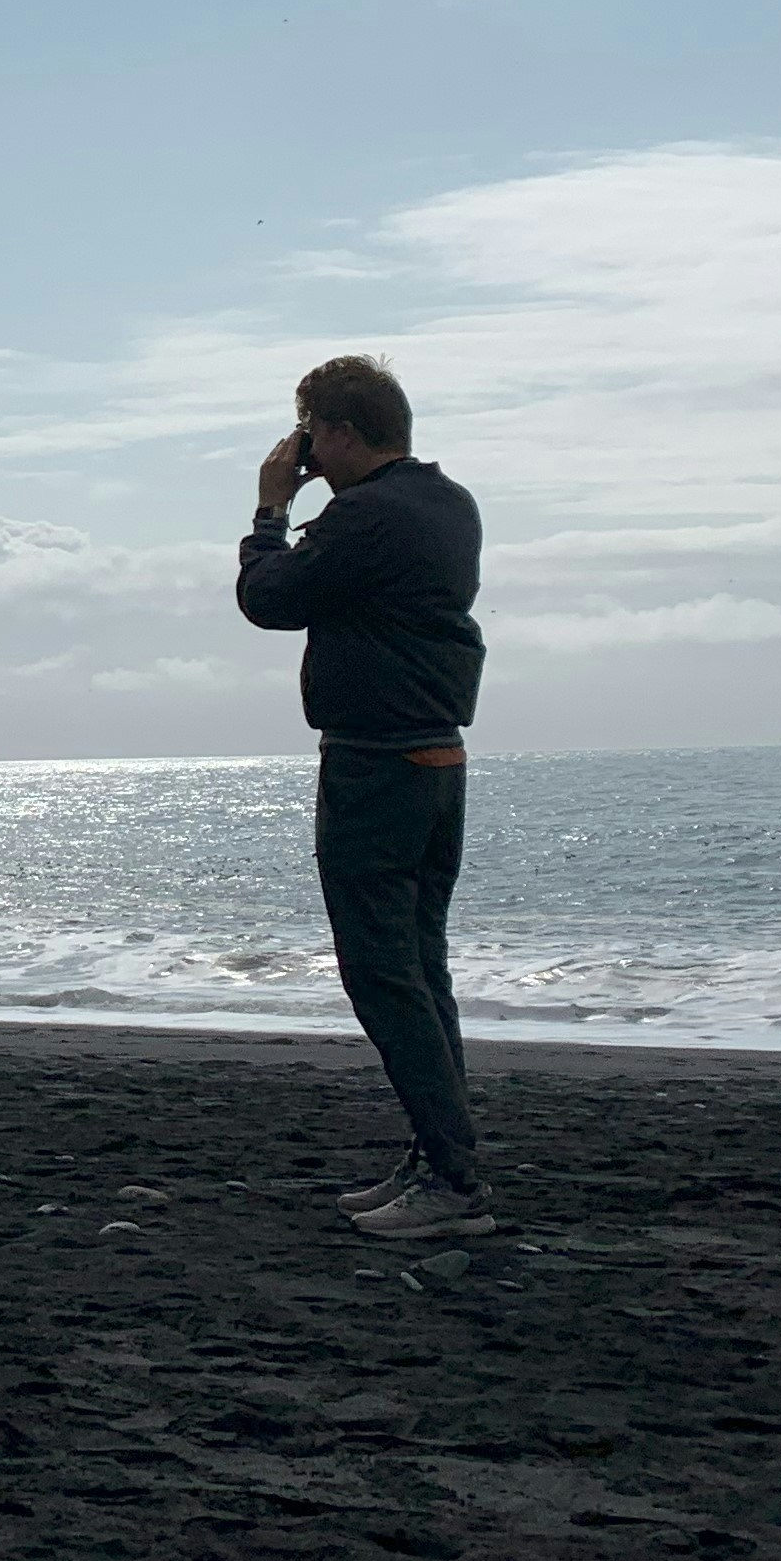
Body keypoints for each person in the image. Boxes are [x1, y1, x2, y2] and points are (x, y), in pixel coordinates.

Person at [234, 354, 494, 1241]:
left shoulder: (366, 517)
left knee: (384, 976)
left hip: (375, 767)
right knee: (422, 971)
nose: (303, 450)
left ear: (337, 433)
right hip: (437, 765)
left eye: (310, 433)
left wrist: (272, 506)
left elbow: (268, 600)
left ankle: (454, 1181)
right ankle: (438, 1155)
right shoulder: (448, 503)